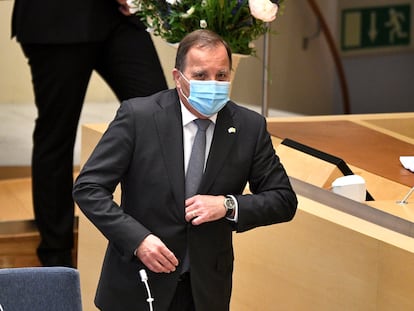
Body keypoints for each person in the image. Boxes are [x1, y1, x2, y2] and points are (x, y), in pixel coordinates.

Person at [73, 29, 297, 311]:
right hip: (138, 284)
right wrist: (138, 239)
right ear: (178, 77)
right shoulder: (138, 117)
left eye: (221, 76)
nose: (213, 84)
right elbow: (88, 188)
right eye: (201, 76)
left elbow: (283, 200)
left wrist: (228, 204)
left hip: (204, 291)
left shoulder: (249, 127)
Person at [11, 0, 168, 267]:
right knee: (56, 136)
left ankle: (158, 238)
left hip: (118, 17)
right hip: (56, 18)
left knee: (161, 117)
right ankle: (56, 261)